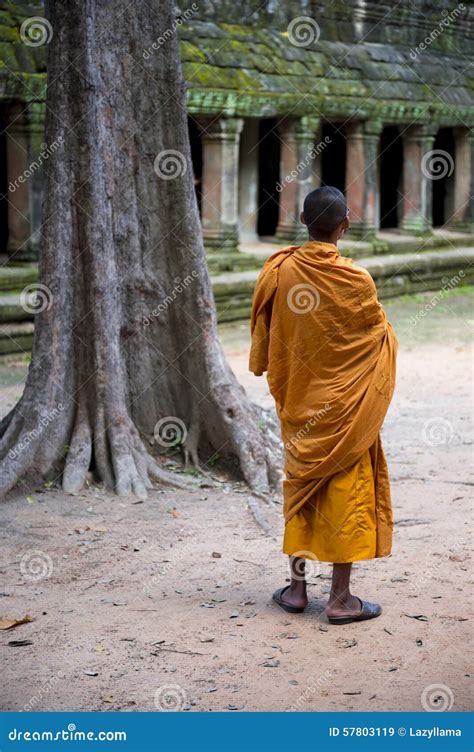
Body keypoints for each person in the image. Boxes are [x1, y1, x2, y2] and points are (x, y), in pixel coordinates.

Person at [249, 186, 397, 625]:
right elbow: (376, 335)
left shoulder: (279, 271)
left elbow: (264, 336)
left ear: (303, 223)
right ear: (345, 225)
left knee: (301, 490)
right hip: (346, 409)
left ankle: (296, 590)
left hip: (300, 405)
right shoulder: (356, 279)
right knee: (345, 493)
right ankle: (340, 598)